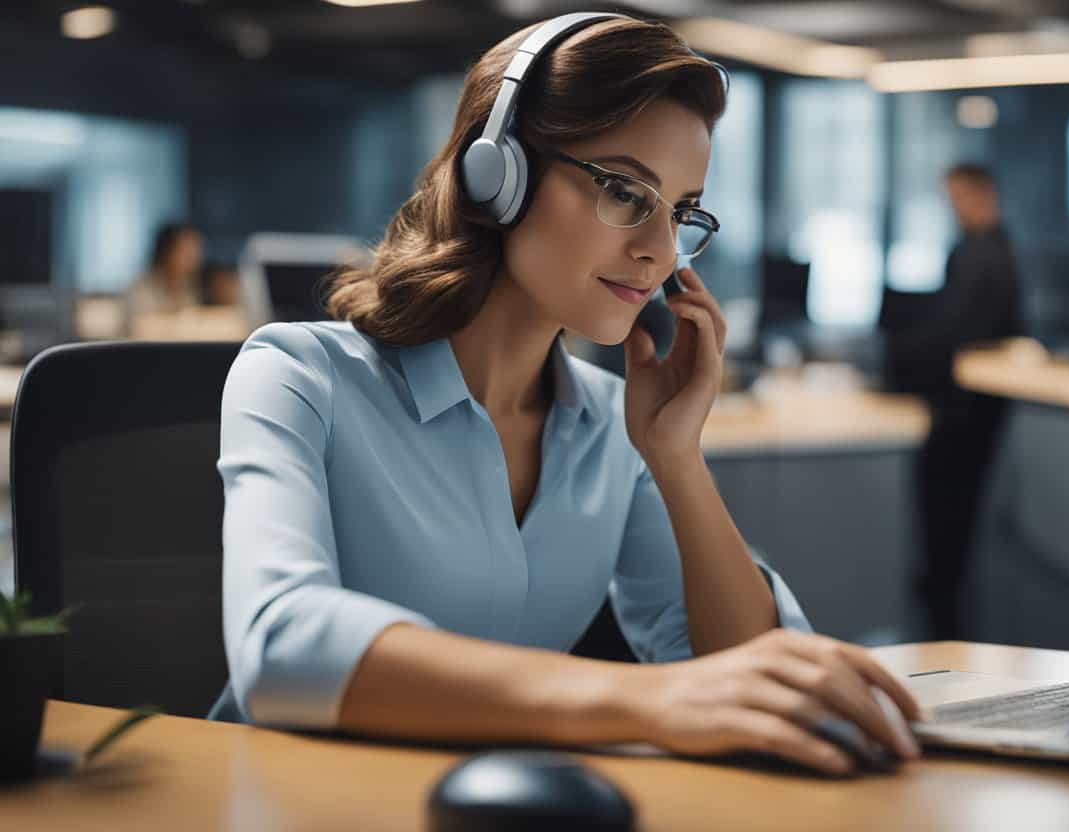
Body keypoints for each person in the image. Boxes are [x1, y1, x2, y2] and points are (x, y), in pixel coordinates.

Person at [208, 13, 922, 777]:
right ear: (499, 173)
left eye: (681, 212)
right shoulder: (297, 376)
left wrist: (676, 458)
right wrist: (642, 702)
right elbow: (281, 644)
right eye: (624, 190)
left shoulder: (616, 428)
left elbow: (756, 681)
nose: (659, 250)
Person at [883, 163, 1022, 641]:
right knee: (949, 534)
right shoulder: (986, 250)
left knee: (947, 531)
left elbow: (959, 329)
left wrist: (898, 355)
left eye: (959, 197)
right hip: (967, 410)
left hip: (966, 416)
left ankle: (943, 628)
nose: (953, 207)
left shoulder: (984, 254)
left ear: (983, 194)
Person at [124, 222, 203, 331]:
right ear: (165, 252)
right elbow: (143, 329)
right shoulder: (141, 289)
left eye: (195, 252)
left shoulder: (187, 289)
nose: (193, 259)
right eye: (186, 252)